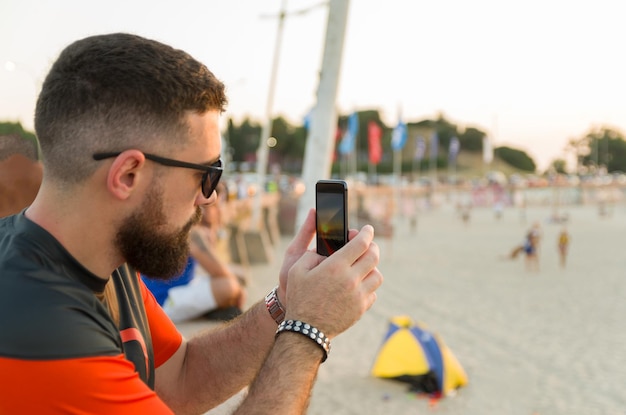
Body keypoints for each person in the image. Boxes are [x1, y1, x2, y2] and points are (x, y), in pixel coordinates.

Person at [0, 33, 382, 414]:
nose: (210, 196)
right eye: (207, 173)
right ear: (129, 175)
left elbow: (180, 380)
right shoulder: (39, 331)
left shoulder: (100, 258)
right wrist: (308, 329)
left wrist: (287, 302)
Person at [142, 199, 247, 322]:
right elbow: (220, 271)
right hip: (163, 300)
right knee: (229, 286)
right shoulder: (193, 233)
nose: (219, 210)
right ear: (203, 210)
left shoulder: (187, 227)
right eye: (215, 207)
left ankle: (209, 309)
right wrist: (238, 291)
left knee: (239, 277)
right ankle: (207, 312)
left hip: (172, 289)